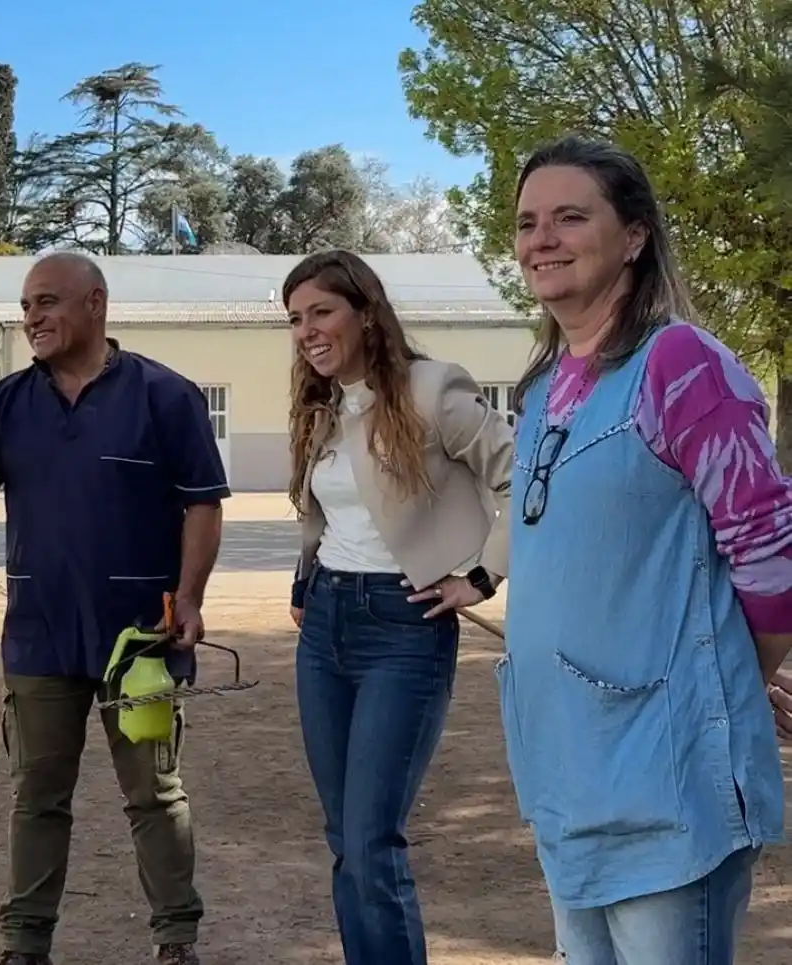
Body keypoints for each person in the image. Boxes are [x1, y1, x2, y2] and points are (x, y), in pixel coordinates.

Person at [500, 135, 792, 965]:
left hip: (664, 783)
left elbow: (775, 556)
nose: (541, 239)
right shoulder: (544, 391)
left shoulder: (682, 364)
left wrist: (731, 678)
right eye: (527, 222)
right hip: (568, 774)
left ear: (632, 236)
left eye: (569, 217)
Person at [0, 251, 229, 965]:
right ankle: (25, 944)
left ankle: (176, 940)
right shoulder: (3, 404)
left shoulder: (166, 395)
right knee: (37, 794)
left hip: (141, 639)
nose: (31, 317)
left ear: (94, 303)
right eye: (25, 305)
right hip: (39, 635)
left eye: (46, 302)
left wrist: (189, 596)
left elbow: (202, 503)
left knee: (155, 794)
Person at [285, 249, 514, 965]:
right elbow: (322, 511)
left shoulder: (432, 388)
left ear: (365, 311)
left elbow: (525, 480)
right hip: (326, 625)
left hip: (403, 628)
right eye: (295, 318)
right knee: (342, 836)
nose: (307, 330)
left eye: (321, 311)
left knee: (371, 837)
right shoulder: (320, 402)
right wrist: (305, 580)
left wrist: (482, 575)